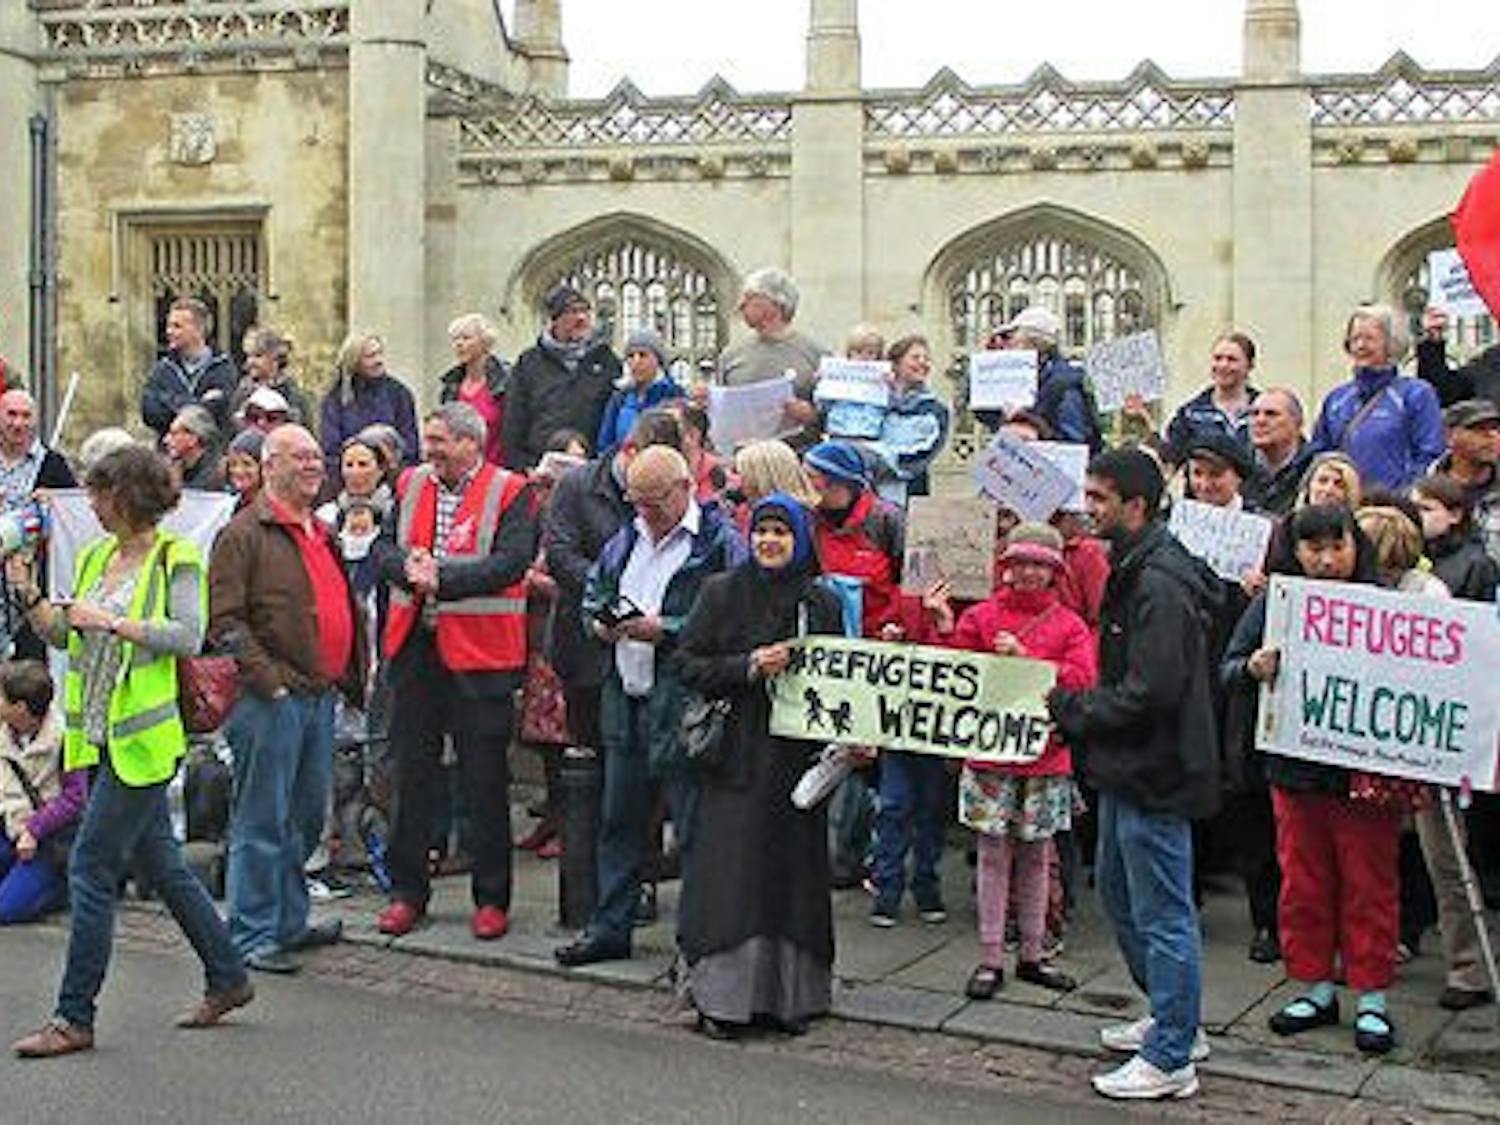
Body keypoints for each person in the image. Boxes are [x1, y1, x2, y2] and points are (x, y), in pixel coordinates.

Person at [9, 445, 252, 1059]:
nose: (89, 502)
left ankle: (74, 1016)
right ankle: (229, 976)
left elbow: (188, 635)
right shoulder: (95, 556)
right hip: (101, 737)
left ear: (126, 495)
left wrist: (111, 623)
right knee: (165, 868)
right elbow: (63, 631)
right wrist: (31, 594)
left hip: (144, 743)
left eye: (99, 492)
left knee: (91, 865)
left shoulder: (178, 558)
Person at [1048, 448, 1221, 1101]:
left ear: (1137, 506)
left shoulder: (1158, 583)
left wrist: (1072, 709)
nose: (1088, 507)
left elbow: (1151, 688)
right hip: (1131, 762)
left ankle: (1173, 1050)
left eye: (1099, 497)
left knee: (1161, 908)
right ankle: (1174, 1015)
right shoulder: (1137, 565)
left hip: (1157, 765)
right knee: (1122, 893)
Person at [554, 446, 743, 967]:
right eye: (636, 503)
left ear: (685, 488)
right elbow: (596, 590)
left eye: (654, 503)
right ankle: (610, 926)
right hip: (628, 697)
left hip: (684, 706)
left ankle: (699, 941)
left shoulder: (719, 543)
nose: (645, 514)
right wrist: (600, 620)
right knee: (618, 823)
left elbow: (735, 620)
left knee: (693, 831)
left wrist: (668, 630)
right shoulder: (625, 539)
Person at [1226, 503, 1402, 1058]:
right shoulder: (1275, 604)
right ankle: (1316, 985)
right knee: (1303, 882)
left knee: (1368, 885)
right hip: (1295, 773)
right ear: (1295, 551)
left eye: (1337, 546)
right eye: (1313, 548)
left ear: (1356, 547)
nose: (1326, 560)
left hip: (1362, 779)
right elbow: (1228, 667)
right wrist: (1254, 668)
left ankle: (1370, 994)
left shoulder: (1383, 606)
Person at [673, 493, 844, 1037]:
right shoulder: (723, 593)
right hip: (737, 758)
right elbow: (686, 662)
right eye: (762, 531)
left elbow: (839, 675)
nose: (770, 542)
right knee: (732, 878)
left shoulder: (821, 601)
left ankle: (790, 997)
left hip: (796, 763)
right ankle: (723, 999)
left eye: (782, 533)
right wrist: (747, 666)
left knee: (791, 876)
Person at [375, 402, 537, 941]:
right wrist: (407, 570)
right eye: (429, 439)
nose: (431, 449)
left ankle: (491, 899)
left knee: (484, 780)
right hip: (415, 649)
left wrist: (441, 579)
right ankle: (406, 892)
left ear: (472, 443)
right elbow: (382, 549)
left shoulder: (510, 491)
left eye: (441, 440)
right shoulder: (409, 485)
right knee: (410, 774)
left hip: (481, 655)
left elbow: (512, 562)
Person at [209, 424, 365, 973]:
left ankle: (288, 921)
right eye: (299, 458)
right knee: (261, 819)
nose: (314, 466)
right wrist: (268, 681)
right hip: (271, 699)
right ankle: (252, 934)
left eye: (316, 457)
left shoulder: (319, 531)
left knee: (301, 817)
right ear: (269, 465)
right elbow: (224, 620)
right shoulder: (244, 534)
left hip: (318, 694)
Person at [943, 523, 1095, 1000]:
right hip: (992, 755)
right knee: (991, 855)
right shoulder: (983, 618)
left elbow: (1083, 681)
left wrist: (1027, 658)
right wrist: (945, 625)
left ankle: (1031, 951)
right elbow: (953, 673)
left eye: (1039, 565)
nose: (1029, 573)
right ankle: (991, 956)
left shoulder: (1069, 624)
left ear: (1054, 572)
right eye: (1020, 563)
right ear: (1006, 568)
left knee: (1036, 855)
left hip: (1044, 757)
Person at [543, 410, 684, 792]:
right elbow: (560, 553)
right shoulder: (576, 486)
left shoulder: (672, 494)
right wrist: (614, 598)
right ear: (629, 450)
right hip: (586, 644)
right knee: (590, 758)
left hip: (651, 656)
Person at [1309, 304, 1445, 490]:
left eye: (1370, 339)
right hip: (1344, 508)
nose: (1360, 346)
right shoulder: (1337, 399)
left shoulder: (1416, 394)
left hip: (1394, 507)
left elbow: (1429, 455)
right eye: (1355, 338)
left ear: (1391, 343)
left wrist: (1405, 496)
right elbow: (1320, 455)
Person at [0, 659, 83, 924]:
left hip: (48, 839)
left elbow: (74, 798)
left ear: (20, 708)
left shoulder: (65, 738)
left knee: (6, 909)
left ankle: (64, 887)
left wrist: (34, 830)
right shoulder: (3, 730)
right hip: (8, 825)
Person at [503, 286, 621, 471]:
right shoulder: (529, 362)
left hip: (591, 470)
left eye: (585, 311)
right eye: (573, 312)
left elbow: (615, 416)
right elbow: (513, 421)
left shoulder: (606, 360)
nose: (581, 318)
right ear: (555, 319)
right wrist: (522, 467)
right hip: (538, 468)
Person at [716, 267, 827, 451]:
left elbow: (832, 417)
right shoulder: (731, 355)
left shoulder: (815, 355)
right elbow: (721, 414)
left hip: (797, 459)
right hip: (743, 461)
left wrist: (810, 415)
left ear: (775, 302)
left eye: (749, 298)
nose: (741, 306)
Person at [979, 307, 1100, 451]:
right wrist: (988, 361)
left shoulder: (1063, 383)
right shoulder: (1025, 379)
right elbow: (984, 411)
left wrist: (1035, 432)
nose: (1005, 344)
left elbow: (1074, 444)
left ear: (1032, 342)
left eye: (1009, 337)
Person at [319, 332, 420, 483]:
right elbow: (330, 448)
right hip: (348, 480)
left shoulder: (399, 394)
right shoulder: (336, 398)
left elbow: (411, 444)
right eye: (370, 356)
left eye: (380, 353)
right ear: (354, 360)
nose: (378, 360)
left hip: (393, 479)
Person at [865, 334, 951, 505]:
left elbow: (922, 455)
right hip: (869, 492)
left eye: (926, 358)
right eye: (915, 357)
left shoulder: (935, 410)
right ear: (896, 364)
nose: (922, 363)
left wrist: (876, 461)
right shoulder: (873, 402)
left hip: (910, 494)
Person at [140, 296, 239, 438]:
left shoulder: (222, 368)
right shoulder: (162, 369)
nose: (169, 332)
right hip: (169, 452)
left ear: (198, 329)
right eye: (168, 326)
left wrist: (171, 401)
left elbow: (218, 412)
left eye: (177, 326)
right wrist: (197, 403)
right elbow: (150, 412)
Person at [1164, 333, 1259, 466]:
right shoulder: (1190, 414)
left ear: (1250, 365)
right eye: (1218, 358)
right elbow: (1171, 460)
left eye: (1232, 359)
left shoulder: (1265, 411)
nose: (1223, 365)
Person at [1430, 399, 1500, 564]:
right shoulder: (1423, 494)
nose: (1490, 436)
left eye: (1495, 428)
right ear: (1450, 436)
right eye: (1478, 429)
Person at [1411, 474, 1499, 602]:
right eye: (1413, 507)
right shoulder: (1404, 552)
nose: (1416, 515)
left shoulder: (1478, 565)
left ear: (1455, 516)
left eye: (1426, 509)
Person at [596, 328, 684, 454]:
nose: (636, 362)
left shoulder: (674, 394)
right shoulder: (620, 397)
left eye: (643, 355)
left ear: (658, 359)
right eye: (631, 356)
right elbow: (605, 442)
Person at [440, 313, 510, 466]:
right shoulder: (450, 386)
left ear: (485, 343)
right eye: (455, 339)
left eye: (466, 338)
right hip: (458, 472)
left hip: (498, 471)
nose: (459, 344)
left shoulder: (507, 382)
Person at [1243, 388, 1313, 517]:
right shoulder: (1237, 466)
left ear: (1297, 423)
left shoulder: (1315, 470)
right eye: (1254, 414)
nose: (1260, 421)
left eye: (1271, 414)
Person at [231, 328, 314, 428]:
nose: (250, 362)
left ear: (274, 358)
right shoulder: (242, 392)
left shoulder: (293, 395)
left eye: (258, 356)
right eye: (248, 356)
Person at [315, 434, 395, 532]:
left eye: (363, 464)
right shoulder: (326, 516)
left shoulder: (395, 513)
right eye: (349, 465)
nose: (355, 472)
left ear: (381, 470)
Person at [164, 404, 224, 492]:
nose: (166, 440)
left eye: (174, 434)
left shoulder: (217, 474)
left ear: (193, 439)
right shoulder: (174, 466)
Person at [222, 427, 264, 512]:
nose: (238, 471)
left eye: (247, 464)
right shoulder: (228, 505)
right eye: (233, 464)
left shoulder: (271, 509)